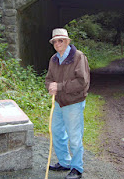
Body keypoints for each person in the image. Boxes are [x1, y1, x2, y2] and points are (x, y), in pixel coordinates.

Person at [45, 28, 90, 179]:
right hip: (58, 102)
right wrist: (50, 86)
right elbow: (49, 78)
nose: (57, 43)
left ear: (67, 41)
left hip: (73, 103)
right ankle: (65, 162)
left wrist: (59, 86)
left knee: (74, 136)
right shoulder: (54, 59)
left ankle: (77, 168)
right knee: (56, 131)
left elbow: (82, 82)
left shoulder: (78, 57)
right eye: (55, 41)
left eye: (61, 40)